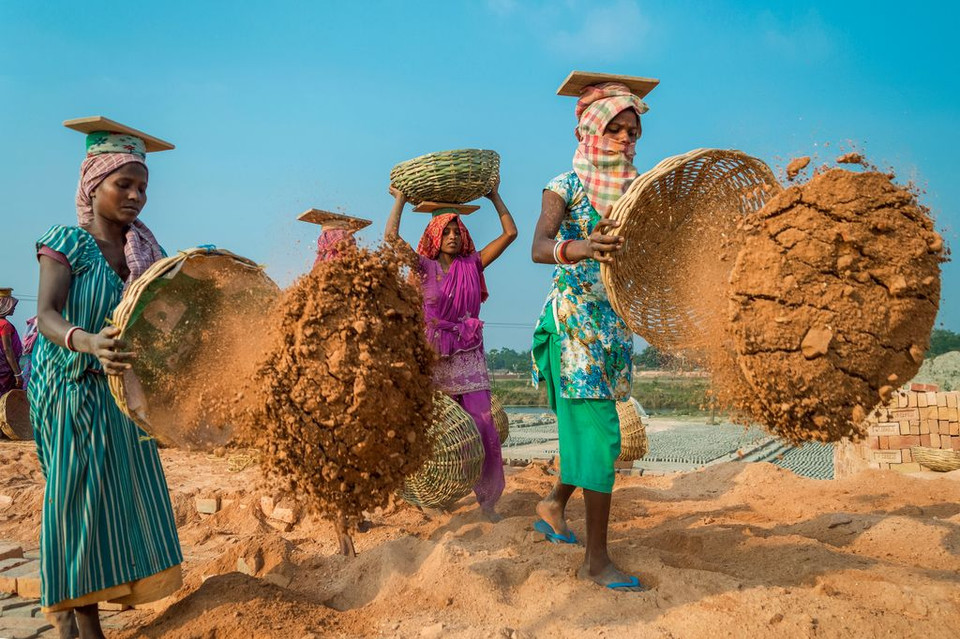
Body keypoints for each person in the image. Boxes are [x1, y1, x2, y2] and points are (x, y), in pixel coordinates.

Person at [29, 123, 183, 638]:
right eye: (125, 184)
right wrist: (87, 340)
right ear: (94, 184)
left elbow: (167, 319)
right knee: (79, 500)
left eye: (143, 187)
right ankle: (82, 624)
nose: (136, 196)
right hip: (68, 386)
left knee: (122, 495)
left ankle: (74, 616)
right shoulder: (67, 243)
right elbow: (47, 315)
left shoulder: (147, 252)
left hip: (119, 391)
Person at [529, 80, 648, 591]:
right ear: (590, 130)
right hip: (574, 324)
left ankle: (553, 504)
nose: (625, 139)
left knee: (591, 436)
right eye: (615, 128)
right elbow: (539, 246)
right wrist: (583, 246)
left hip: (613, 329)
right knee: (602, 438)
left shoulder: (640, 190)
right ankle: (596, 562)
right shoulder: (566, 184)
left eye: (633, 130)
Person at [386, 179, 517, 521]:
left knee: (483, 426)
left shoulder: (472, 265)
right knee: (432, 428)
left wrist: (493, 195)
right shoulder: (423, 268)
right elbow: (390, 239)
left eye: (458, 232)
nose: (453, 237)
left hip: (469, 355)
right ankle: (431, 497)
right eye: (446, 232)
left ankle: (487, 501)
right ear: (434, 237)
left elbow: (511, 233)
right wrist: (400, 199)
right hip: (432, 357)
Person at [0, 289, 24, 394]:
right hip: (6, 372)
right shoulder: (5, 324)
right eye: (11, 304)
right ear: (4, 305)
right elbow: (8, 350)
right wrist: (17, 374)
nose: (14, 307)